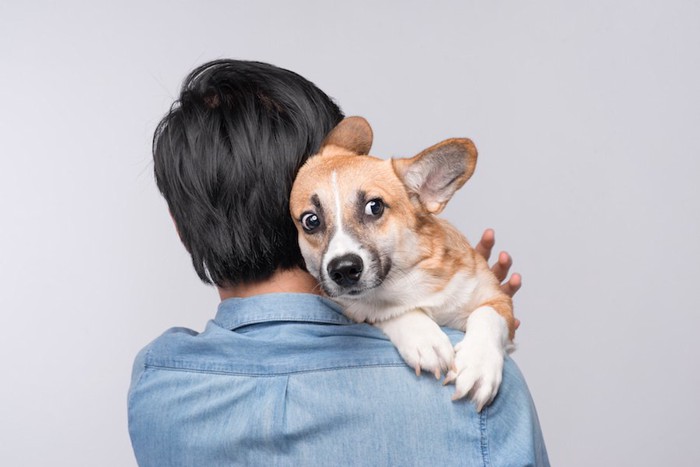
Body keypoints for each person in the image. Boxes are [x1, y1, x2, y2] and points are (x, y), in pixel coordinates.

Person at [128, 59, 549, 466]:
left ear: (181, 227)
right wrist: (476, 328)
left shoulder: (156, 383)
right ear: (293, 212)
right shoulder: (479, 378)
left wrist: (447, 302)